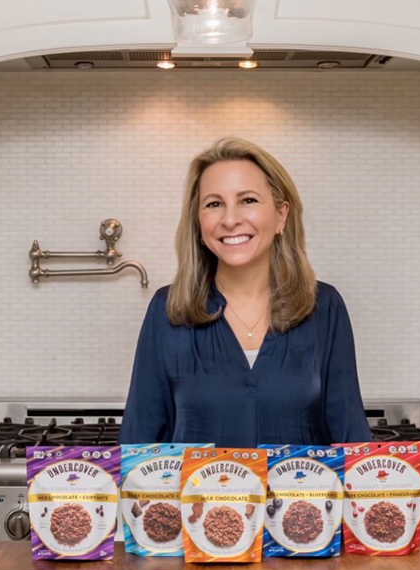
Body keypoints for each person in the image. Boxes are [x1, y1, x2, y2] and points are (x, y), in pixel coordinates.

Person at [119, 138, 371, 446]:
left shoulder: (325, 307)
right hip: (195, 496)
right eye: (214, 204)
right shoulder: (166, 309)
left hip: (303, 496)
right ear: (198, 224)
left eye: (248, 200)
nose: (230, 219)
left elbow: (351, 438)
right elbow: (139, 443)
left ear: (281, 216)